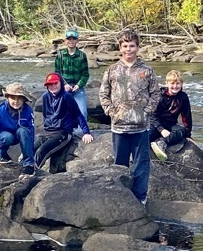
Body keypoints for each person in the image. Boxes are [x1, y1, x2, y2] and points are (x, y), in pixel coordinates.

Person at [99, 28, 159, 205]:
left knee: (141, 163)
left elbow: (155, 94)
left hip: (141, 126)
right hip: (119, 125)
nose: (128, 49)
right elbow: (104, 94)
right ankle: (121, 194)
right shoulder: (112, 70)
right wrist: (111, 112)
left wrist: (146, 111)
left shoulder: (147, 71)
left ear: (137, 48)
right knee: (120, 163)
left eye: (132, 46)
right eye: (125, 46)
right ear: (120, 48)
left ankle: (140, 196)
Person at [36, 72, 93, 171]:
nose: (53, 86)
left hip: (63, 132)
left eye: (55, 83)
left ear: (60, 83)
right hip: (47, 132)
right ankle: (22, 170)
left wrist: (86, 132)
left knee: (41, 151)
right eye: (50, 84)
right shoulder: (45, 96)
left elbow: (78, 114)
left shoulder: (67, 97)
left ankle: (30, 174)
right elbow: (46, 115)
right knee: (31, 149)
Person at [0, 82, 35, 173]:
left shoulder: (28, 111)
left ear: (24, 99)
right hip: (3, 136)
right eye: (13, 98)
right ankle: (3, 155)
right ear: (7, 98)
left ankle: (28, 163)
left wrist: (32, 159)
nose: (16, 101)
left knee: (24, 131)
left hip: (19, 135)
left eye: (19, 98)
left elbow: (31, 133)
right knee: (7, 137)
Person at [149, 69, 192, 162]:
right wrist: (161, 130)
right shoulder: (159, 96)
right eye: (172, 83)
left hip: (171, 124)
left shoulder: (183, 97)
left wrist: (188, 134)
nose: (175, 86)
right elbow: (152, 116)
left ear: (181, 84)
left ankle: (162, 142)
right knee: (146, 135)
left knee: (182, 131)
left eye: (178, 84)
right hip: (156, 124)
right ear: (167, 83)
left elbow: (186, 116)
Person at [54, 28, 90, 124]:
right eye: (69, 39)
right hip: (64, 88)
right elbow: (57, 73)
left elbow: (85, 74)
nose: (71, 41)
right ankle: (65, 132)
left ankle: (82, 134)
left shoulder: (82, 56)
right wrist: (63, 85)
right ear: (65, 41)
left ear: (77, 40)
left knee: (82, 112)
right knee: (63, 113)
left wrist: (79, 85)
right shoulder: (60, 55)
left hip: (78, 88)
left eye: (73, 38)